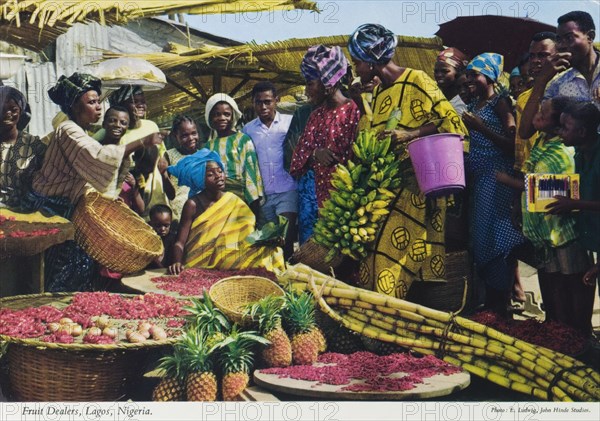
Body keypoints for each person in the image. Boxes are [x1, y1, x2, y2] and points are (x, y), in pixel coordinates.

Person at [347, 23, 468, 298]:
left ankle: (391, 320)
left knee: (393, 261)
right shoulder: (377, 94)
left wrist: (410, 134)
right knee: (375, 259)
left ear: (370, 60)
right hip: (386, 193)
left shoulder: (418, 80)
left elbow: (451, 123)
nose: (355, 67)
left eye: (356, 61)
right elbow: (370, 136)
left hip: (418, 189)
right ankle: (385, 322)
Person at [27, 73, 162, 291]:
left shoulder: (84, 132)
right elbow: (98, 157)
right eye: (91, 102)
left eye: (99, 101)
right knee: (60, 266)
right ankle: (53, 305)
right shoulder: (68, 129)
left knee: (77, 264)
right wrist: (141, 142)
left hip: (65, 208)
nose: (98, 107)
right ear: (74, 106)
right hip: (49, 208)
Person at [497, 96, 590, 328]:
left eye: (543, 113)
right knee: (552, 278)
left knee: (573, 280)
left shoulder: (564, 152)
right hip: (544, 230)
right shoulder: (541, 143)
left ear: (559, 123)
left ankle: (578, 329)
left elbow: (558, 191)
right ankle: (557, 325)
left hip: (564, 231)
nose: (537, 115)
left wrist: (509, 181)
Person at [462, 53, 526, 316]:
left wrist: (480, 128)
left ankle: (501, 304)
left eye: (474, 75)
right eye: (467, 76)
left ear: (488, 76)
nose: (469, 81)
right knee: (481, 238)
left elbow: (512, 145)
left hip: (497, 179)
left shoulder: (500, 103)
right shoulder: (476, 103)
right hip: (480, 179)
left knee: (498, 239)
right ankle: (492, 301)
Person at [167, 149, 284, 274]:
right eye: (210, 174)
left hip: (229, 253)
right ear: (199, 179)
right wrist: (177, 262)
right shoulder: (193, 204)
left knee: (273, 251)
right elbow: (180, 242)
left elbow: (248, 236)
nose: (218, 176)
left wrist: (269, 240)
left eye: (220, 171)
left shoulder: (233, 200)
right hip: (199, 259)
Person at [546, 102, 600, 335]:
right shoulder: (579, 153)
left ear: (582, 132)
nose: (560, 131)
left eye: (565, 127)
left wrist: (575, 204)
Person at [290, 44, 361, 207]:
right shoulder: (316, 116)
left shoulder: (355, 111)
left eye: (310, 83)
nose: (307, 91)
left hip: (355, 202)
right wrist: (315, 153)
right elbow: (297, 158)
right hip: (324, 204)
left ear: (327, 81)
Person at [95, 85, 174, 219]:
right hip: (131, 195)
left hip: (156, 192)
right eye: (135, 101)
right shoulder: (112, 132)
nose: (141, 105)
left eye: (143, 101)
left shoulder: (151, 126)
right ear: (122, 104)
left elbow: (162, 157)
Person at [242, 81, 298, 259]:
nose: (263, 106)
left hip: (287, 189)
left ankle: (290, 276)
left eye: (268, 101)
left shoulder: (289, 123)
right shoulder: (248, 129)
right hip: (263, 195)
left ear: (276, 100)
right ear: (253, 103)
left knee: (286, 239)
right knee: (269, 243)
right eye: (259, 102)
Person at [203, 93, 264, 217]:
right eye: (216, 114)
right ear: (209, 118)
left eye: (227, 114)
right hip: (216, 202)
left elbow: (251, 172)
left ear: (233, 116)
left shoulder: (243, 140)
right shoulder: (208, 147)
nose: (222, 118)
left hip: (241, 200)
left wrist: (253, 204)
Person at [515, 32, 558, 172]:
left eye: (543, 55)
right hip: (533, 167)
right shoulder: (523, 97)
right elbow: (525, 133)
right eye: (532, 56)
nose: (535, 60)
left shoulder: (566, 86)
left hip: (560, 165)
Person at [0, 86, 46, 208]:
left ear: (21, 112)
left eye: (13, 109)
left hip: (22, 212)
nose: (7, 113)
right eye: (2, 109)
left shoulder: (34, 145)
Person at [542, 11, 600, 108]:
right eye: (559, 40)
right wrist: (541, 80)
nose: (562, 46)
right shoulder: (557, 85)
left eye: (569, 38)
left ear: (590, 37)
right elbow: (538, 121)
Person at [98, 105, 144, 215]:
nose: (118, 125)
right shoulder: (95, 151)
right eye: (112, 121)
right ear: (104, 124)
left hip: (121, 219)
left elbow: (141, 209)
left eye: (123, 123)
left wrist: (134, 186)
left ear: (127, 127)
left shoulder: (126, 158)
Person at [164, 115, 200, 221]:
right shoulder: (169, 155)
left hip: (200, 210)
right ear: (176, 136)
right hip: (178, 213)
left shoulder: (203, 156)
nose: (191, 138)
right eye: (185, 135)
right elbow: (167, 190)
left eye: (194, 133)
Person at [434, 47, 470, 115]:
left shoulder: (462, 102)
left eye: (445, 71)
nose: (438, 75)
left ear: (458, 72)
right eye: (436, 71)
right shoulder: (434, 93)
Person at [148, 204, 176, 269]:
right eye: (158, 225)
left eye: (166, 225)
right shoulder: (148, 239)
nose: (162, 229)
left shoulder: (173, 239)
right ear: (150, 223)